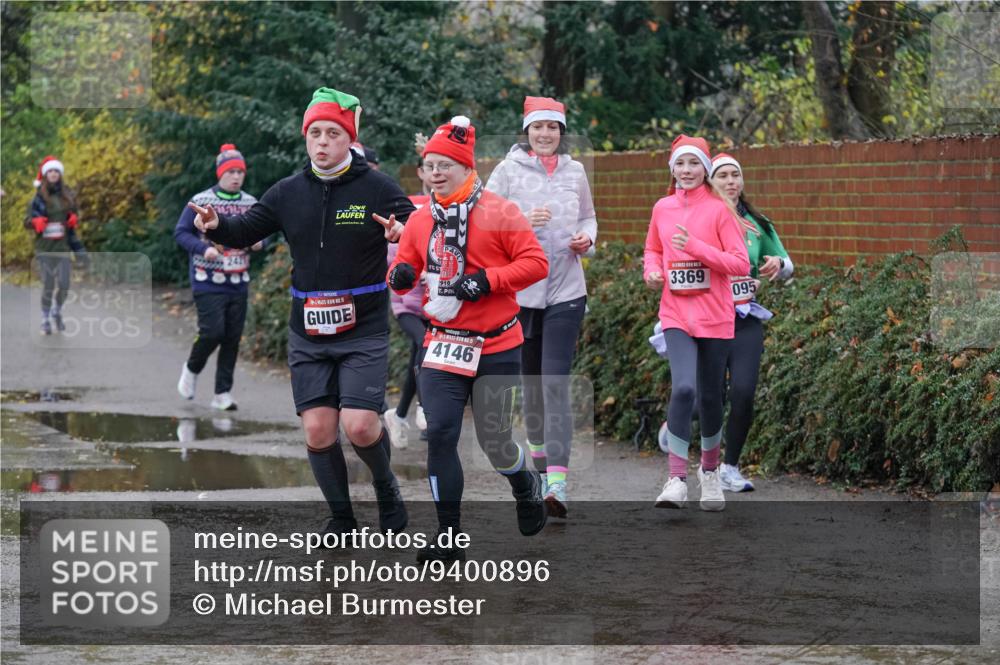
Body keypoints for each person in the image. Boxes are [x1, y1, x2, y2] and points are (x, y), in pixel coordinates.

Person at [188, 87, 416, 537]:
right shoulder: (288, 191)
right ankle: (342, 518)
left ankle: (387, 489)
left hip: (363, 327)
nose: (323, 141)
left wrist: (401, 234)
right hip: (308, 330)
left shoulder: (377, 187)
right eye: (315, 133)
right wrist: (217, 226)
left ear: (349, 139)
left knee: (361, 426)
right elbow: (245, 229)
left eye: (333, 133)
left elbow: (416, 233)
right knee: (317, 430)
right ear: (306, 138)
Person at [387, 115, 549, 562]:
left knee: (495, 443)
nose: (436, 173)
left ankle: (524, 482)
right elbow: (403, 274)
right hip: (443, 343)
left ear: (466, 167)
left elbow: (536, 264)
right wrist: (400, 276)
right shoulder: (422, 221)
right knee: (439, 433)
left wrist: (486, 281)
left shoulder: (500, 212)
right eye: (430, 165)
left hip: (496, 344)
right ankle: (448, 534)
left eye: (445, 165)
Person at [485, 96, 597, 518]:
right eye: (538, 128)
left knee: (554, 383)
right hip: (521, 294)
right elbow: (484, 221)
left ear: (561, 132)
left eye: (553, 128)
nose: (545, 134)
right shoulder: (507, 170)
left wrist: (588, 239)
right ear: (527, 131)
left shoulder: (575, 171)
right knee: (531, 389)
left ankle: (558, 484)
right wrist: (522, 219)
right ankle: (539, 469)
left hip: (567, 289)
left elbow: (588, 217)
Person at [643, 135, 750, 511]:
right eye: (680, 165)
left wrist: (696, 249)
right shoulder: (662, 207)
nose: (686, 171)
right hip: (676, 314)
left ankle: (709, 473)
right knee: (684, 388)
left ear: (704, 170)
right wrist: (653, 271)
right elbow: (653, 249)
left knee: (709, 397)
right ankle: (675, 479)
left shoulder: (720, 210)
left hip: (715, 315)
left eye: (693, 165)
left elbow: (740, 263)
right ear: (671, 169)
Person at [709, 153, 794, 492]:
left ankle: (730, 466)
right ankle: (679, 423)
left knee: (743, 392)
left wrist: (776, 264)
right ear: (709, 181)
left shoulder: (757, 221)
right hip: (708, 320)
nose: (731, 182)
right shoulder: (700, 217)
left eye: (735, 176)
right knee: (709, 395)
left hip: (745, 319)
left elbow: (788, 264)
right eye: (723, 176)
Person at [175, 143, 267, 410]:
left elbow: (265, 233)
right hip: (207, 279)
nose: (236, 176)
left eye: (240, 172)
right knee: (212, 331)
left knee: (231, 337)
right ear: (220, 174)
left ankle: (222, 393)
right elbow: (181, 232)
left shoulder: (251, 203)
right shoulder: (202, 201)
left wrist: (260, 243)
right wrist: (203, 248)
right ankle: (191, 369)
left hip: (238, 280)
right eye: (231, 172)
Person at [24, 155, 88, 335]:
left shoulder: (67, 196)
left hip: (63, 248)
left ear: (60, 174)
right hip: (44, 249)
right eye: (50, 171)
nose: (53, 174)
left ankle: (56, 310)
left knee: (65, 284)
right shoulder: (37, 198)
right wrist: (34, 222)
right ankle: (45, 319)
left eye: (56, 171)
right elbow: (27, 221)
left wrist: (74, 220)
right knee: (48, 284)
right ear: (45, 175)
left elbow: (72, 224)